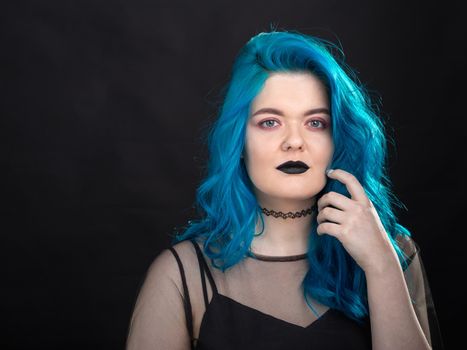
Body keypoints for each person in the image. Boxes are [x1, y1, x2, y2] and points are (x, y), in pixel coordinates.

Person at [126, 30, 443, 350]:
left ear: (338, 140)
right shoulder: (180, 276)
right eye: (270, 122)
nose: (294, 141)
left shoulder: (393, 253)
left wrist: (382, 267)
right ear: (238, 142)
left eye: (315, 122)